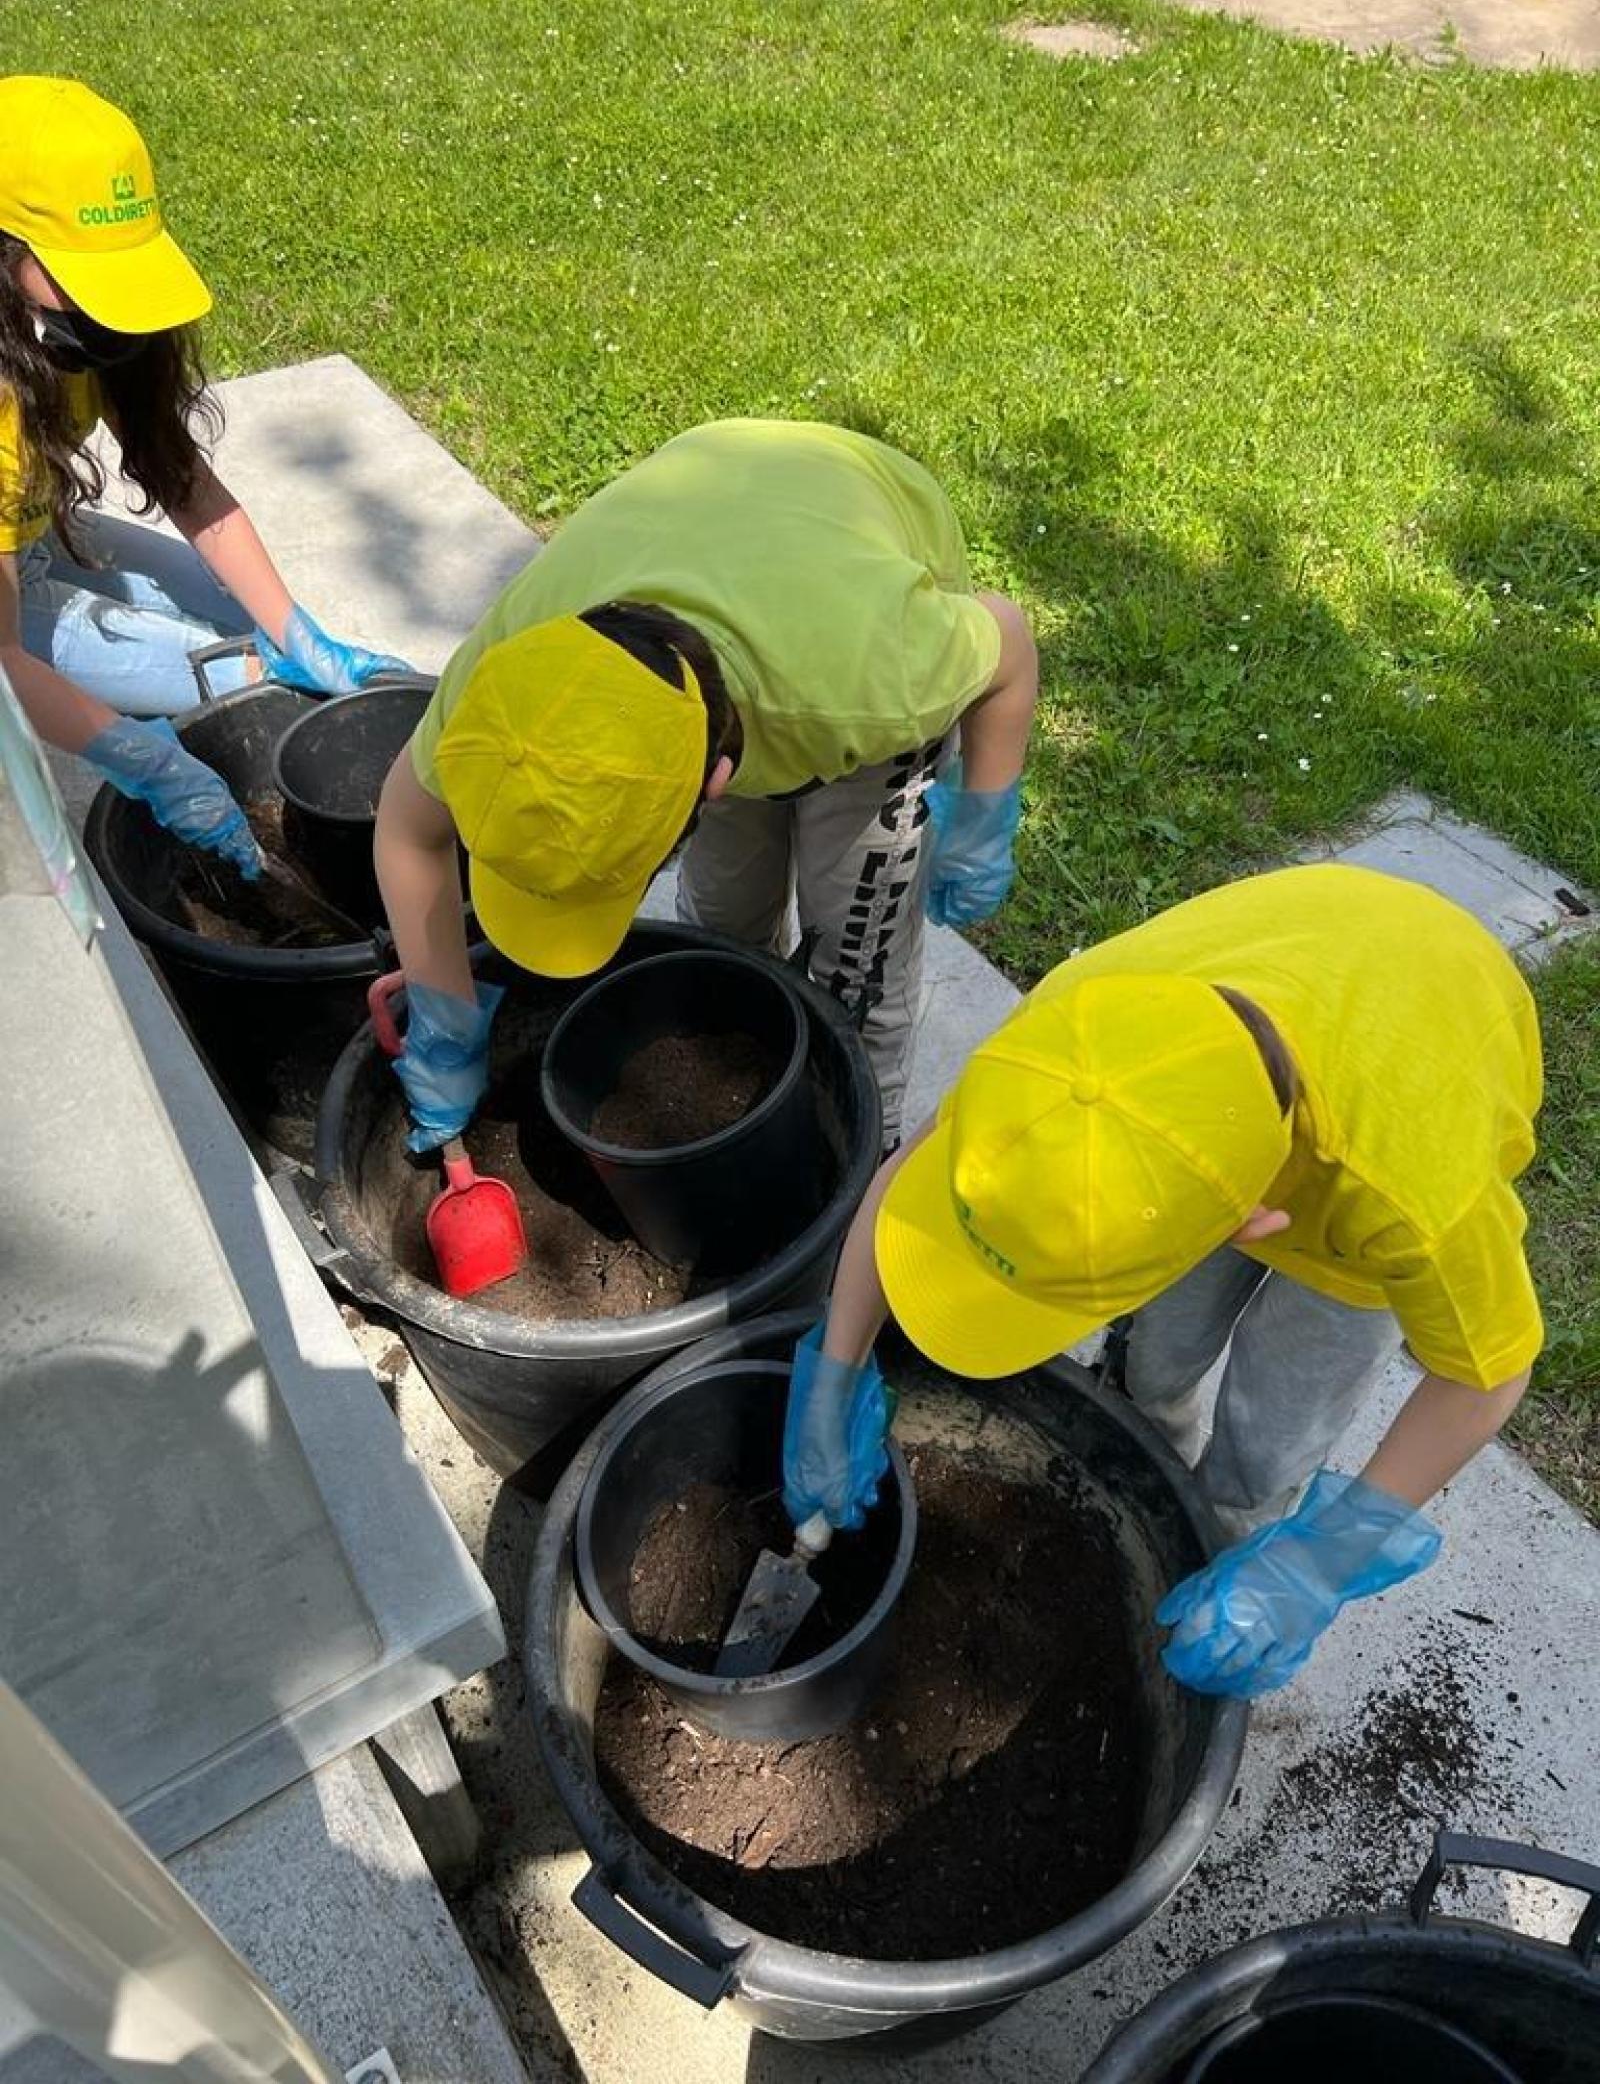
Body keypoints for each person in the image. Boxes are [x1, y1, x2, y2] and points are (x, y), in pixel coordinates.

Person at [782, 863, 1542, 1699]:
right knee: (1156, 1361)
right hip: (1315, 978)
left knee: (1274, 1433)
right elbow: (914, 1171)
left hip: (1413, 1083)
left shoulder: (1418, 1201)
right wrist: (835, 1367)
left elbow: (1487, 1374)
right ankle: (1153, 1477)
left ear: (1244, 1224)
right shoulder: (1078, 1039)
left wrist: (1316, 1562)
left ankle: (1229, 1539)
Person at [373, 417, 1038, 1151]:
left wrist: (982, 820)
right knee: (723, 923)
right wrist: (445, 1022)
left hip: (854, 528)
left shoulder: (874, 682)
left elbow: (1009, 641)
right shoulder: (510, 673)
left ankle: (854, 1153)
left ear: (715, 782)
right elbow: (407, 832)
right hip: (717, 522)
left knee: (855, 974)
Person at [0, 76, 413, 876]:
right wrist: (149, 763)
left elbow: (184, 482)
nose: (112, 310)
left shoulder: (85, 328)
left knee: (238, 617)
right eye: (84, 275)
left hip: (27, 534)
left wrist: (298, 632)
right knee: (222, 671)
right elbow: (2, 656)